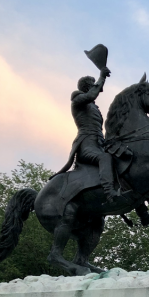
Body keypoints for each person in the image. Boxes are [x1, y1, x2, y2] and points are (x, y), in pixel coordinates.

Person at [57, 66, 121, 201]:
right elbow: (92, 94)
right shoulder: (77, 100)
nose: (96, 88)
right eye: (93, 85)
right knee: (104, 158)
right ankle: (109, 191)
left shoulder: (92, 107)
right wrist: (102, 77)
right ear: (87, 87)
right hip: (86, 145)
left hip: (99, 143)